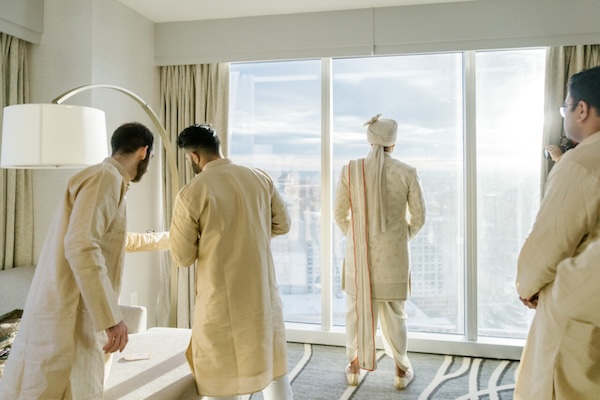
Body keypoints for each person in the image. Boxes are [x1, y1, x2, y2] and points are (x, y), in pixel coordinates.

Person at [0, 122, 169, 399]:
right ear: (143, 151)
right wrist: (112, 319)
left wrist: (171, 238)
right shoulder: (105, 178)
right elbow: (81, 244)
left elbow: (118, 240)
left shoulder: (108, 180)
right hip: (73, 312)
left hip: (81, 311)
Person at [169, 124, 293, 400]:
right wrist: (252, 235)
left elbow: (182, 256)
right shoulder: (259, 178)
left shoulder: (193, 192)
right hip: (261, 294)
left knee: (221, 378)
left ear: (194, 156)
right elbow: (283, 224)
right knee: (274, 370)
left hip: (221, 300)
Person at [515, 65, 600, 399]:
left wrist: (527, 285)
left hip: (578, 309)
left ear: (582, 109)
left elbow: (550, 241)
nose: (564, 114)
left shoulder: (582, 162)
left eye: (566, 107)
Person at [333, 114, 426, 390]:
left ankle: (353, 366)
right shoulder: (407, 172)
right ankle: (400, 370)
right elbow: (419, 218)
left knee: (356, 311)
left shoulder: (350, 170)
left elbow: (340, 214)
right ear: (393, 144)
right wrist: (400, 237)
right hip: (394, 257)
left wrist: (357, 238)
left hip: (358, 255)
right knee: (396, 314)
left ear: (369, 139)